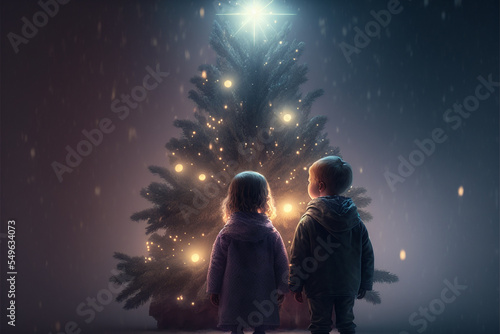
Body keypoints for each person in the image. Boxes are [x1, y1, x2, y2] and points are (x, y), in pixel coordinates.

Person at [289, 156, 374, 334]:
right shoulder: (356, 222)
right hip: (348, 284)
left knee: (319, 325)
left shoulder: (308, 221)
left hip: (318, 285)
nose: (308, 184)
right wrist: (365, 282)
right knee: (347, 324)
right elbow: (367, 254)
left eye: (309, 180)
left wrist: (296, 284)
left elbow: (298, 254)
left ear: (320, 186)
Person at [207, 171, 289, 334]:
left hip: (234, 290)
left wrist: (213, 288)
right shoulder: (271, 233)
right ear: (264, 197)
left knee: (236, 327)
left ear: (232, 198)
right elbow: (282, 263)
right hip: (263, 290)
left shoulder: (227, 233)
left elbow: (216, 263)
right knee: (260, 327)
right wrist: (282, 287)